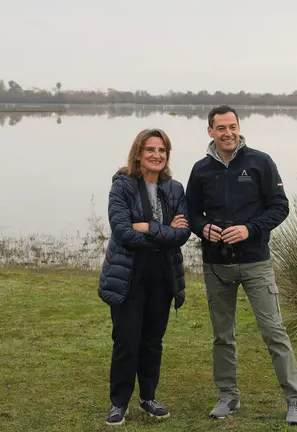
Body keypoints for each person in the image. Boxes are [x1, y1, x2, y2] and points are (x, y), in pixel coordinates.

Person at [185, 105, 297, 426]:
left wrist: (249, 229)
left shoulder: (260, 162)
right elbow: (192, 213)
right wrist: (203, 229)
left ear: (240, 127)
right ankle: (228, 395)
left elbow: (280, 207)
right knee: (222, 336)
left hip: (255, 263)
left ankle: (294, 400)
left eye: (232, 126)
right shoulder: (200, 170)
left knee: (274, 332)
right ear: (210, 131)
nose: (228, 133)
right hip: (216, 266)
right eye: (220, 128)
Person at [97, 128, 191, 426]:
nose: (156, 155)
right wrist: (165, 233)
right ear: (138, 153)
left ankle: (148, 397)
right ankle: (118, 403)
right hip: (128, 276)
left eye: (162, 150)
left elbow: (183, 232)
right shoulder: (122, 186)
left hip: (162, 277)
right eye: (150, 149)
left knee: (152, 340)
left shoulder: (174, 188)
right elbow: (123, 232)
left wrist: (148, 228)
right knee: (126, 340)